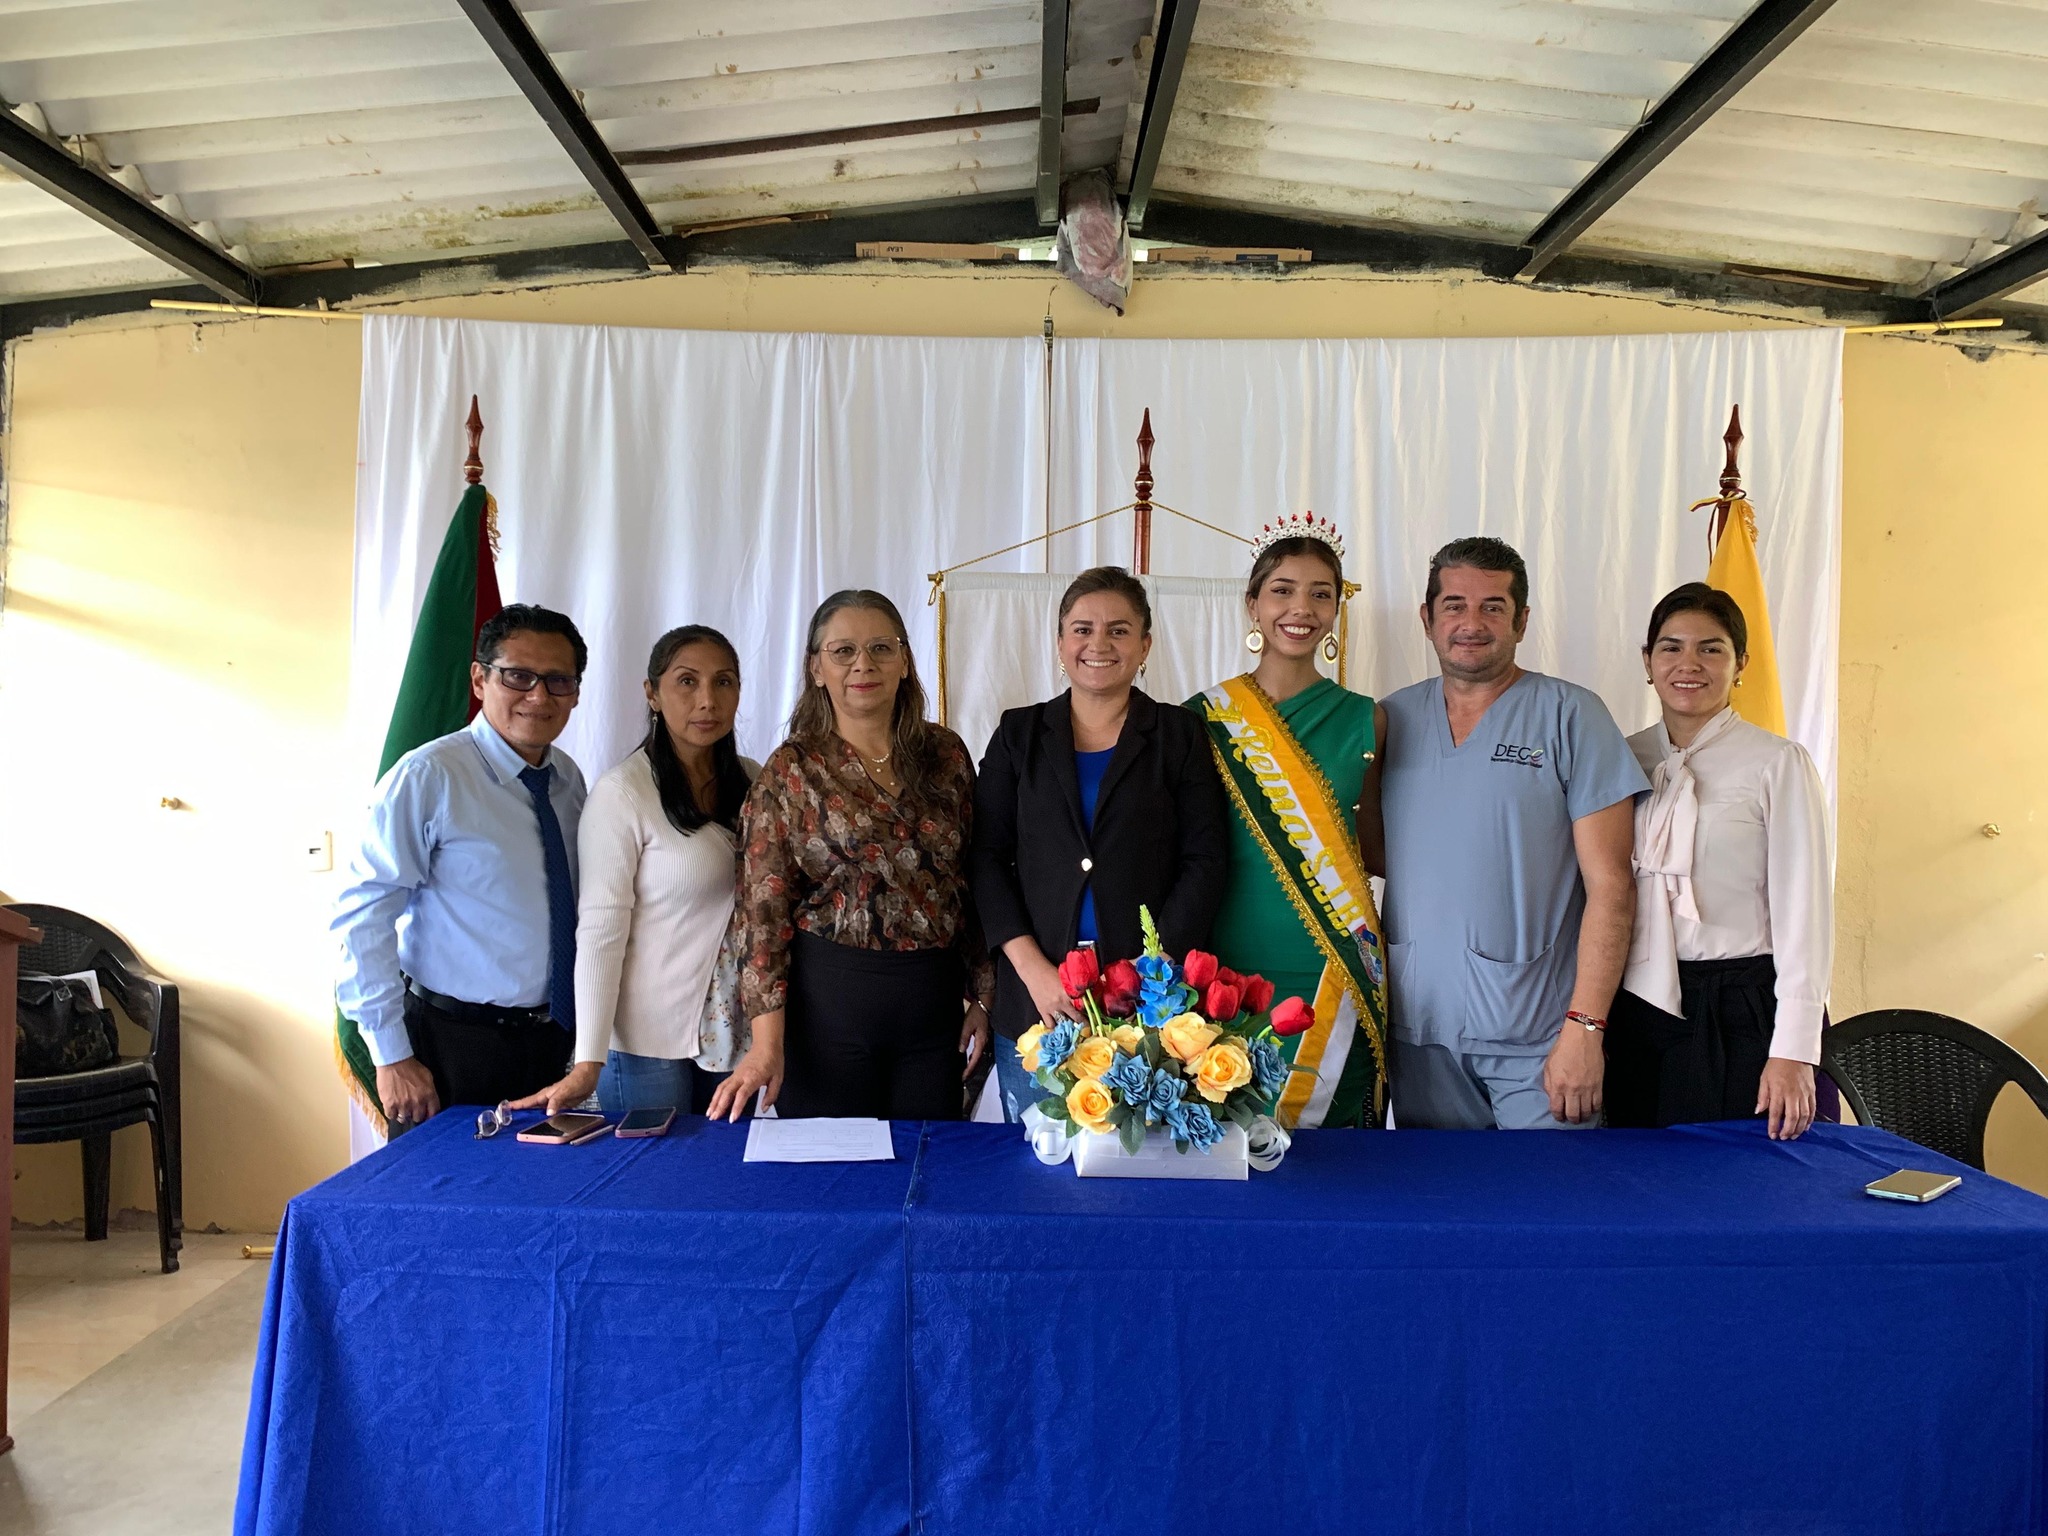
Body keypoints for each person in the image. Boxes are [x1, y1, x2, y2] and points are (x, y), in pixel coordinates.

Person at [1381, 537, 1648, 1130]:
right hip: (1420, 1034)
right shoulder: (1389, 719)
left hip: (1541, 1041)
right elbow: (1372, 857)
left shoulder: (1571, 716)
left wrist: (1586, 1028)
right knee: (1440, 1189)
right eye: (1454, 605)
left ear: (1522, 621)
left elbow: (1612, 887)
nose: (1471, 623)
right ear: (1427, 618)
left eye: (1493, 607)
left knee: (1550, 1190)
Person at [711, 591, 993, 1121]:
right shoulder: (791, 771)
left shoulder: (947, 756)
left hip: (933, 1014)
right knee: (834, 1168)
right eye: (843, 651)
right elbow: (762, 916)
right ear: (816, 668)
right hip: (828, 1015)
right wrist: (766, 1045)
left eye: (881, 648)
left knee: (928, 1162)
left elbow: (970, 880)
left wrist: (983, 996)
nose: (863, 664)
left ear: (904, 661)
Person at [971, 566, 1230, 1121]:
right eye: (1083, 629)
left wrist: (1152, 968)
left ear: (1145, 645)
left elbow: (1205, 860)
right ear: (1060, 642)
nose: (1099, 644)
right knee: (1038, 1164)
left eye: (1119, 630)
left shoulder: (1179, 735)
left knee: (1135, 1163)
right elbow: (985, 859)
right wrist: (1033, 970)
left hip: (1151, 1006)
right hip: (1038, 1002)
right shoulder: (1018, 734)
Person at [334, 603, 589, 1130]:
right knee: (439, 1185)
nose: (538, 696)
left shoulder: (568, 780)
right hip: (448, 1046)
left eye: (558, 680)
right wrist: (391, 1056)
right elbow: (363, 916)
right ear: (479, 679)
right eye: (518, 676)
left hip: (550, 1044)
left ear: (576, 692)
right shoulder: (428, 776)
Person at [1605, 583, 1829, 1139]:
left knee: (1734, 1174)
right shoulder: (1620, 758)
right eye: (1671, 647)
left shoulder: (1777, 763)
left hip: (1738, 1008)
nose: (1689, 664)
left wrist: (1794, 1049)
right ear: (1648, 662)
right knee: (1637, 1172)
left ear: (1740, 663)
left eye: (1711, 648)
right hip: (1634, 1007)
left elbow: (1804, 912)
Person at [1187, 519, 1391, 1130]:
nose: (1301, 608)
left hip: (1333, 959)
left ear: (1336, 609)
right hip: (1227, 958)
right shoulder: (1201, 717)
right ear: (1252, 604)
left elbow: (1372, 848)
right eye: (1282, 590)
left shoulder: (1368, 719)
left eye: (1320, 593)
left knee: (1336, 1153)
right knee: (1227, 1122)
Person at [514, 626, 759, 1118]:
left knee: (731, 1168)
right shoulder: (623, 792)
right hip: (647, 1046)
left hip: (737, 1033)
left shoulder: (756, 780)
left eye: (723, 682)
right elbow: (600, 933)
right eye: (686, 681)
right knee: (654, 1169)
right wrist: (588, 1060)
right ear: (652, 693)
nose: (707, 700)